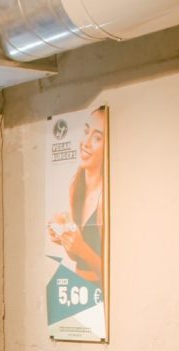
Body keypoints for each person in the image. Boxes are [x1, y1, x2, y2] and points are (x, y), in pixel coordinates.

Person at [47, 105, 106, 285]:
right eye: (86, 131)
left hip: (100, 293)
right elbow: (77, 257)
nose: (85, 143)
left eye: (97, 138)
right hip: (78, 288)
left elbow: (112, 271)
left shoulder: (104, 200)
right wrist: (64, 238)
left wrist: (81, 249)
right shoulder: (75, 185)